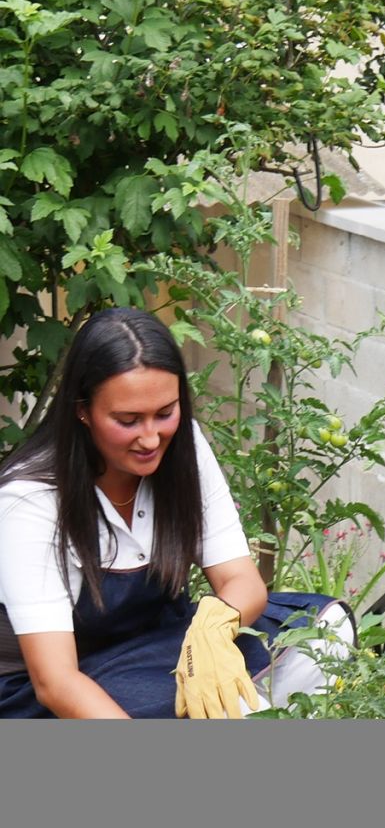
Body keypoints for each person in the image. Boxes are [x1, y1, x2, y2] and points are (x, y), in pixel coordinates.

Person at [0, 307, 355, 718]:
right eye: (128, 420)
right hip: (54, 688)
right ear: (83, 410)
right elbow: (55, 682)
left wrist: (215, 628)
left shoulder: (183, 448)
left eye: (165, 413)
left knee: (323, 631)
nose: (151, 438)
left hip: (158, 649)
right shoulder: (31, 501)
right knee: (217, 703)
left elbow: (241, 579)